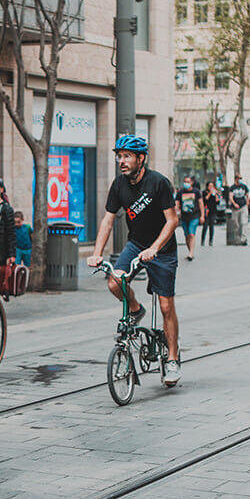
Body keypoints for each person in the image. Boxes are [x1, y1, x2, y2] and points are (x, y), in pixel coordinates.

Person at [85, 135, 182, 386]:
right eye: (120, 156)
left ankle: (172, 358)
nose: (122, 161)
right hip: (136, 244)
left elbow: (172, 221)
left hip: (162, 249)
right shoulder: (119, 186)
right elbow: (108, 219)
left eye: (127, 156)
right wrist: (97, 253)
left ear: (141, 158)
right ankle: (137, 309)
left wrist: (155, 248)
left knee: (166, 307)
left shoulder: (158, 183)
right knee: (114, 282)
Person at [174, 176, 202, 260]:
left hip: (194, 216)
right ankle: (190, 251)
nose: (186, 183)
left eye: (188, 182)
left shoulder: (196, 192)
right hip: (184, 216)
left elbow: (201, 204)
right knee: (186, 235)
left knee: (191, 233)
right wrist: (176, 212)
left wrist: (202, 215)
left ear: (192, 183)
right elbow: (177, 203)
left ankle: (191, 253)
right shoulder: (180, 192)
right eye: (185, 181)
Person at [227, 174, 249, 246]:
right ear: (235, 179)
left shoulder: (244, 186)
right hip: (235, 208)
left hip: (243, 206)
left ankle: (244, 239)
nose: (240, 180)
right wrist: (234, 203)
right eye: (239, 178)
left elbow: (247, 194)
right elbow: (230, 197)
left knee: (244, 222)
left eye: (241, 178)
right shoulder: (232, 187)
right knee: (236, 224)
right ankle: (237, 238)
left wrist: (248, 201)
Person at [201, 182, 220, 247]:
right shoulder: (204, 192)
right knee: (205, 226)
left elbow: (217, 202)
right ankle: (202, 240)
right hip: (206, 211)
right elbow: (205, 200)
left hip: (213, 211)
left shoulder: (214, 193)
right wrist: (210, 193)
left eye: (212, 186)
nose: (211, 187)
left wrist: (216, 195)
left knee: (211, 227)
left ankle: (211, 240)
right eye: (210, 186)